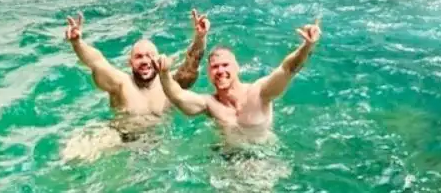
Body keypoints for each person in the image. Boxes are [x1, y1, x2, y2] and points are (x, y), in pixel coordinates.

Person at [60, 9, 209, 160]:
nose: (145, 61)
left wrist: (200, 37)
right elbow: (96, 62)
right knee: (74, 152)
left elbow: (191, 65)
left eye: (150, 56)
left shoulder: (170, 84)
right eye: (138, 57)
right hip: (121, 138)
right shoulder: (121, 84)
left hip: (160, 141)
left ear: (158, 58)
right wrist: (77, 43)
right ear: (130, 62)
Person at [154, 18, 321, 149]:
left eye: (225, 65)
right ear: (209, 73)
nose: (220, 70)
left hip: (262, 159)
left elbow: (288, 69)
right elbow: (178, 96)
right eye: (215, 67)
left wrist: (307, 46)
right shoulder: (210, 104)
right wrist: (164, 73)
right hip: (227, 161)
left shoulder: (259, 93)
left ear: (237, 68)